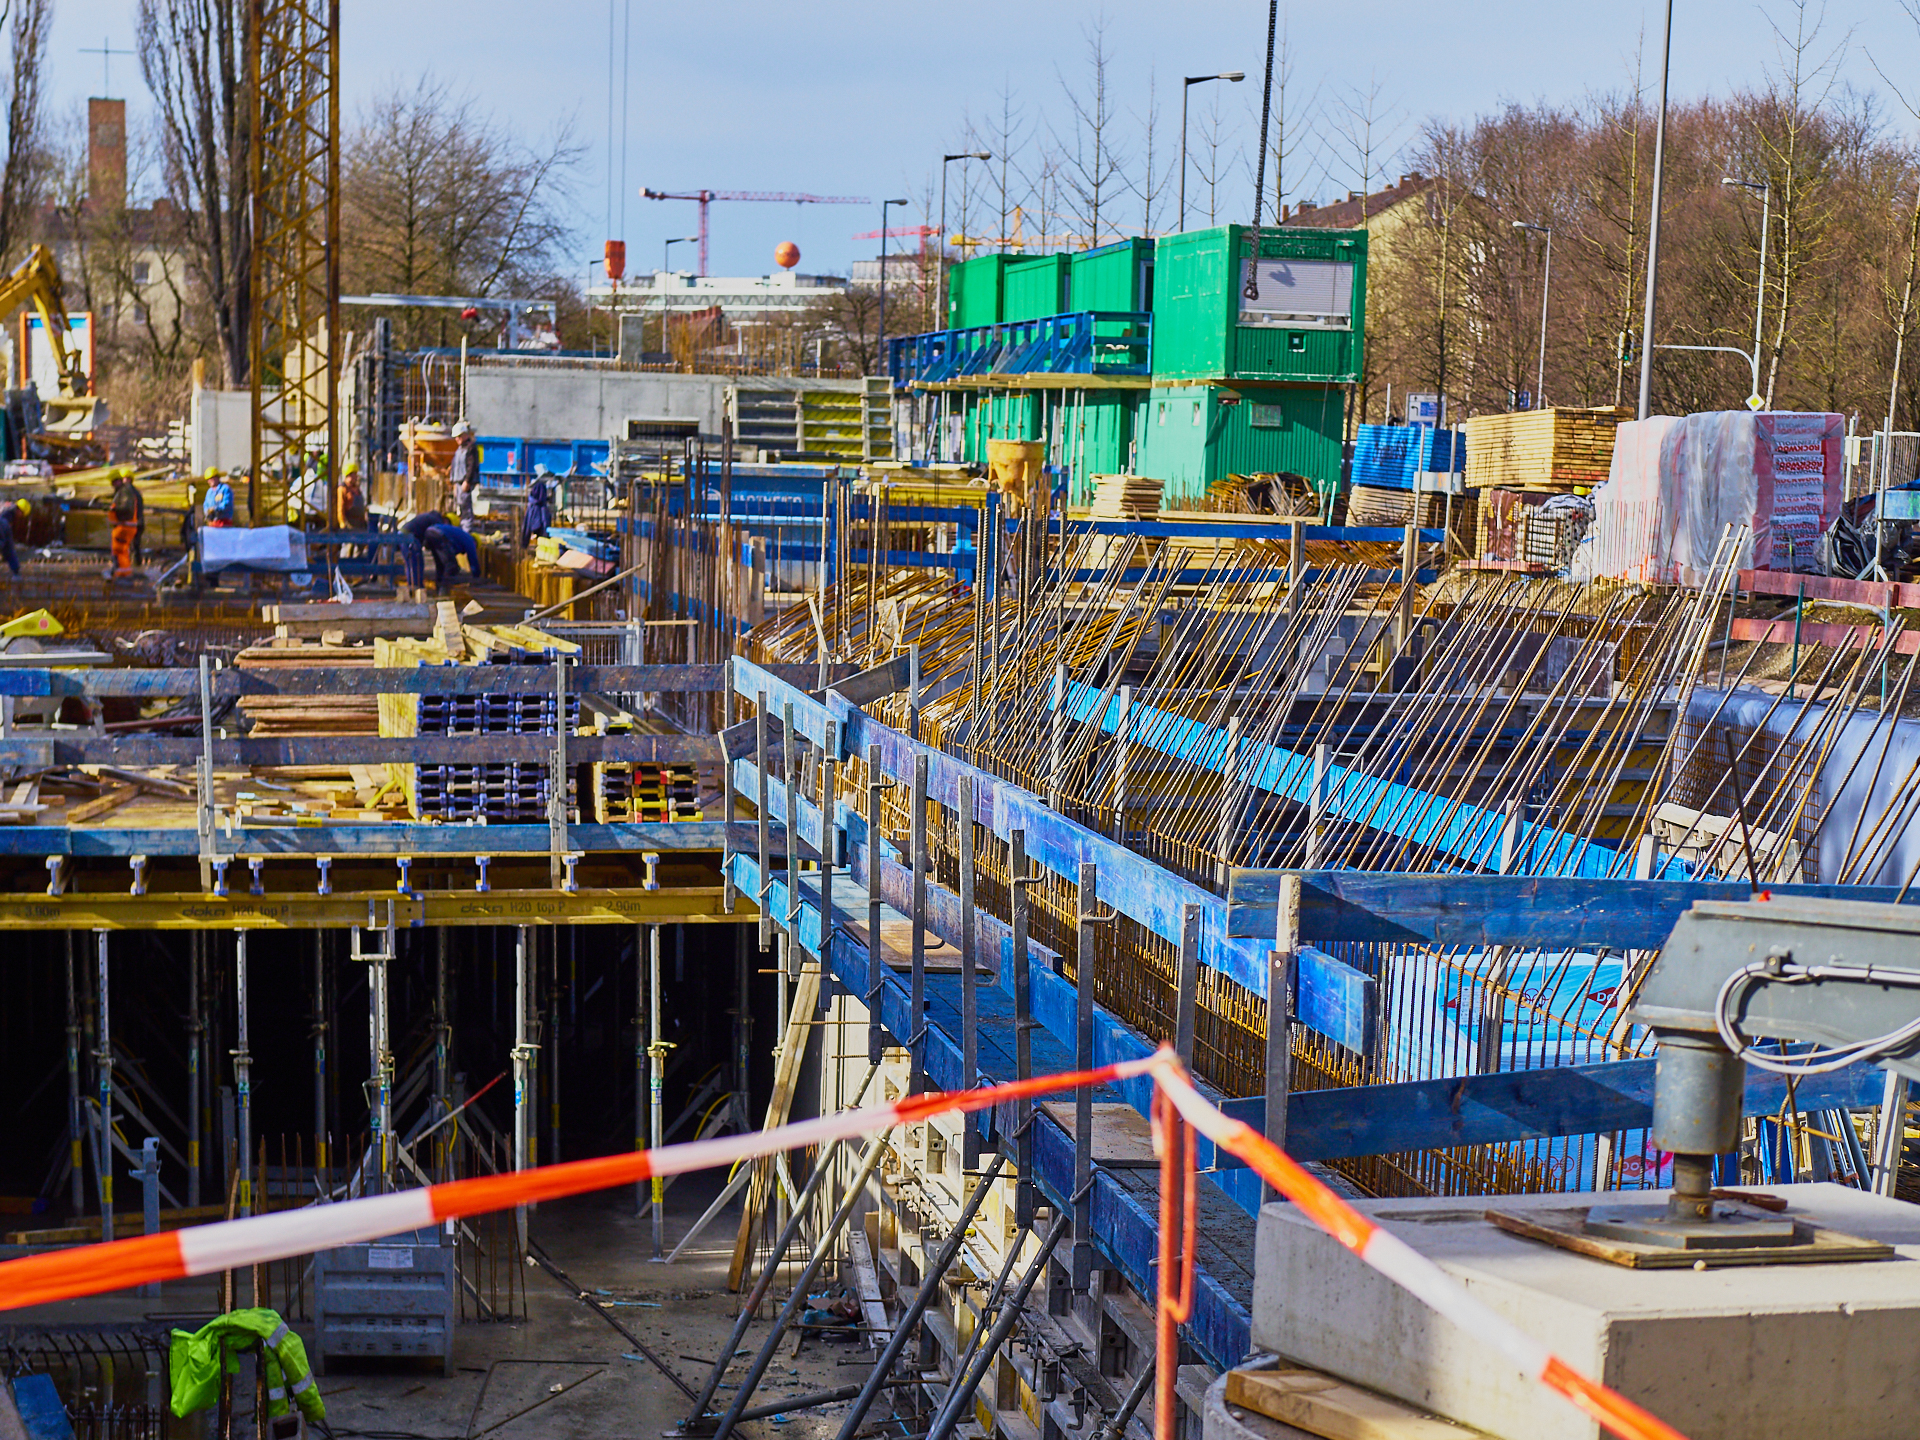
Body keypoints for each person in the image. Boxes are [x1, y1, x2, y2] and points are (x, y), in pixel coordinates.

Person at [402, 509, 478, 591]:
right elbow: (472, 557)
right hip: (415, 537)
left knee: (440, 564)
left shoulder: (437, 522)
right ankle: (442, 589)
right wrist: (477, 575)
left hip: (423, 535)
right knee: (451, 565)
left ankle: (435, 587)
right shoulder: (469, 540)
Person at [109, 474, 143, 578]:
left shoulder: (124, 493)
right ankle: (124, 571)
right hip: (126, 526)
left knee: (118, 549)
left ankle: (121, 572)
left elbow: (125, 509)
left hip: (124, 526)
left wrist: (114, 511)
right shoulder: (128, 492)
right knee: (123, 550)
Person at [448, 422, 479, 531]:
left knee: (466, 508)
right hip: (458, 482)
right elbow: (455, 466)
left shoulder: (470, 448)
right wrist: (454, 483)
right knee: (460, 507)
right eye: (456, 437)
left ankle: (467, 531)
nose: (457, 439)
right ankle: (462, 529)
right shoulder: (460, 449)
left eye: (459, 436)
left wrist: (467, 481)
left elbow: (471, 466)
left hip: (464, 482)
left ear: (465, 435)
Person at [523, 464, 553, 544]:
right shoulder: (540, 486)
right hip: (537, 511)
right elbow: (540, 498)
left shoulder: (539, 486)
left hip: (536, 510)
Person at [0, 495, 29, 577]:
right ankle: (16, 571)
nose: (20, 517)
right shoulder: (8, 516)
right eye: (22, 514)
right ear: (20, 510)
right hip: (2, 525)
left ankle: (16, 570)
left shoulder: (6, 505)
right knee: (7, 547)